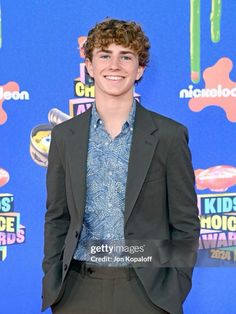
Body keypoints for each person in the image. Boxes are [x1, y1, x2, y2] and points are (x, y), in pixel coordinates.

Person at [42, 18, 200, 314]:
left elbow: (185, 223)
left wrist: (175, 286)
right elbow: (57, 218)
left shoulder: (169, 135)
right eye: (105, 55)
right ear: (89, 66)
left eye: (125, 56)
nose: (114, 65)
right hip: (77, 289)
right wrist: (54, 282)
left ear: (139, 68)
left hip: (147, 292)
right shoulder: (65, 136)